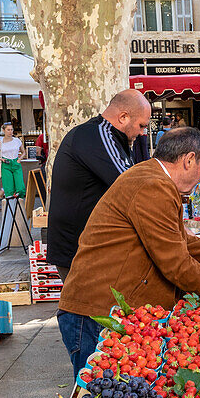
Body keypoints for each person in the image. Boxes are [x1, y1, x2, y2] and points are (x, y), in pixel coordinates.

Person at [57, 128, 200, 378]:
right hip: (97, 312)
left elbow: (183, 240)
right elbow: (177, 264)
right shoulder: (153, 186)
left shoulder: (154, 178)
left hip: (107, 306)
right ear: (188, 160)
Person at [47, 89, 151, 281]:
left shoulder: (112, 137)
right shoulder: (98, 134)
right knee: (89, 309)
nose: (142, 133)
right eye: (141, 126)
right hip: (79, 250)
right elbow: (132, 185)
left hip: (89, 249)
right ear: (123, 117)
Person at [0, 123, 24, 200]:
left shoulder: (17, 140)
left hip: (16, 163)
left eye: (11, 129)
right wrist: (1, 159)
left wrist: (19, 159)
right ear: (4, 130)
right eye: (8, 130)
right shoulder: (0, 142)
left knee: (20, 188)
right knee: (8, 189)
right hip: (6, 164)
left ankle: (19, 206)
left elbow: (24, 152)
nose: (10, 131)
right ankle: (10, 207)